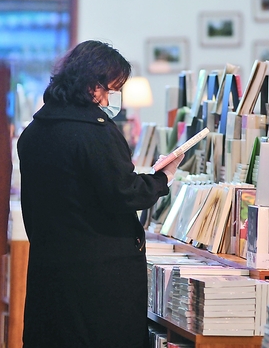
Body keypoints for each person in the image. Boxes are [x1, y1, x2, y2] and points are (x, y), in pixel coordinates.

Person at [17, 40, 184, 348]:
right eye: (111, 88)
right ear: (92, 86)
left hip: (49, 272)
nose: (112, 98)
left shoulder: (34, 131)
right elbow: (123, 192)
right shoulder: (95, 132)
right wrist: (163, 178)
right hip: (99, 279)